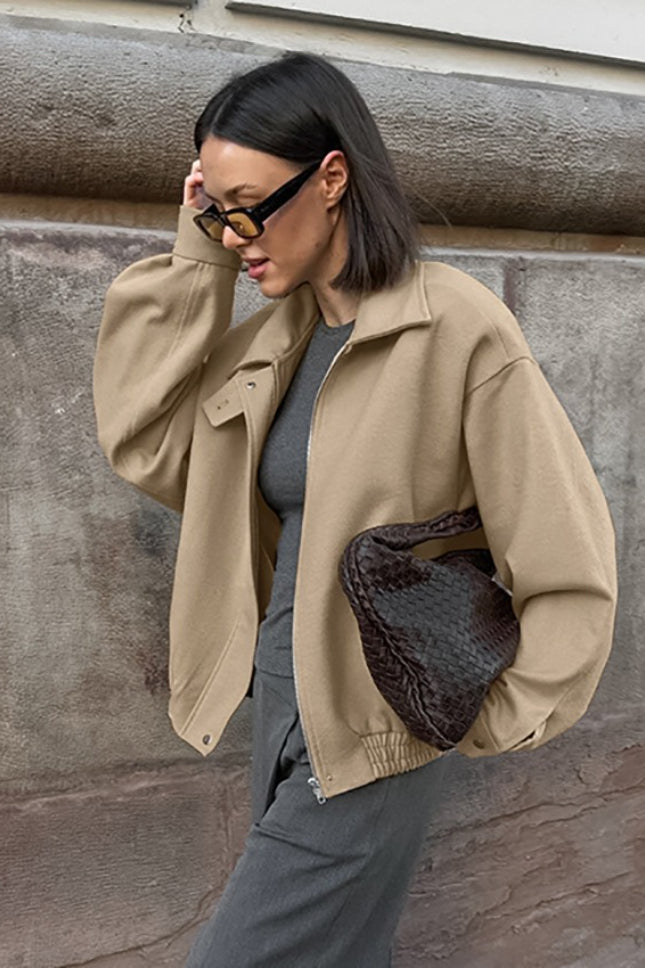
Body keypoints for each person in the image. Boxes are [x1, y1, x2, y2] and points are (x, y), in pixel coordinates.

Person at [93, 52, 617, 967]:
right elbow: (147, 440)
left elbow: (563, 548)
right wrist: (194, 254)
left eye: (248, 207)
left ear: (331, 177)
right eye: (217, 212)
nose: (234, 235)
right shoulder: (276, 341)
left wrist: (486, 712)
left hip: (377, 730)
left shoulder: (452, 325)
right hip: (279, 708)